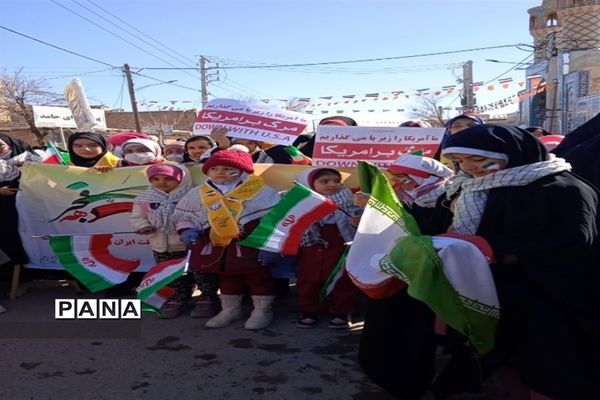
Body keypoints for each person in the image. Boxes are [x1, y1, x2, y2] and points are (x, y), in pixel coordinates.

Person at [437, 124, 599, 398]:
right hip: (501, 291)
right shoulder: (481, 186)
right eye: (461, 161)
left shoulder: (562, 187)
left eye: (478, 159)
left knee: (552, 365)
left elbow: (573, 242)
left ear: (515, 154)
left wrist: (496, 249)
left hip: (551, 296)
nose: (469, 167)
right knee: (509, 357)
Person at [356, 155, 453, 399]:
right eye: (396, 178)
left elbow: (431, 233)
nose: (399, 183)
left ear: (423, 176)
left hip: (427, 274)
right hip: (397, 271)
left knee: (417, 331)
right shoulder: (406, 197)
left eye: (403, 177)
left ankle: (412, 382)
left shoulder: (448, 199)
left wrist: (382, 210)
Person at [173, 149, 281, 330]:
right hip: (217, 245)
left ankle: (263, 310)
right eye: (214, 168)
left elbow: (277, 219)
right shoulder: (199, 192)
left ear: (243, 171)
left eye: (227, 168)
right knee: (227, 276)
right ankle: (231, 310)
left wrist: (271, 246)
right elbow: (185, 214)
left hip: (251, 243)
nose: (220, 172)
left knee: (259, 277)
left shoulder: (261, 191)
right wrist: (187, 229)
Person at [131, 164, 214, 318]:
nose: (161, 182)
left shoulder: (195, 195)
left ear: (182, 179)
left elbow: (205, 216)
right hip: (161, 245)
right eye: (156, 178)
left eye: (168, 178)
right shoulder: (145, 198)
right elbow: (138, 217)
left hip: (191, 244)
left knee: (201, 272)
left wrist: (195, 231)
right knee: (171, 275)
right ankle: (178, 297)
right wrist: (143, 226)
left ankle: (208, 298)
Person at [295, 167, 361, 329]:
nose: (332, 184)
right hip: (311, 245)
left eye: (336, 180)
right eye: (325, 181)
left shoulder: (351, 199)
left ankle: (341, 311)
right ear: (310, 184)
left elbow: (364, 218)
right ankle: (309, 309)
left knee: (342, 278)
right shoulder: (300, 201)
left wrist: (359, 221)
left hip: (340, 243)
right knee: (309, 278)